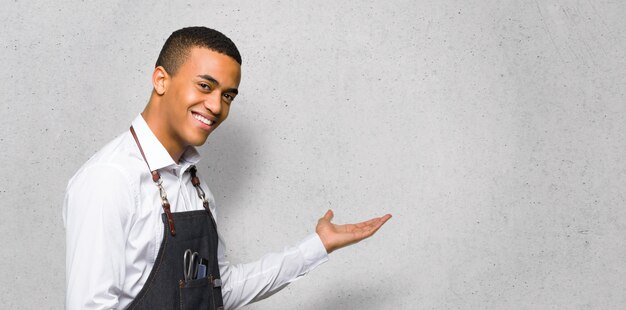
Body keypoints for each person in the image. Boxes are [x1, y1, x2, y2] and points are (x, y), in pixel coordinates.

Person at [63, 26, 391, 310]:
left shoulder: (195, 188)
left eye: (228, 96)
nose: (217, 106)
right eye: (205, 86)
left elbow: (222, 290)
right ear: (161, 80)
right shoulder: (109, 179)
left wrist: (318, 246)